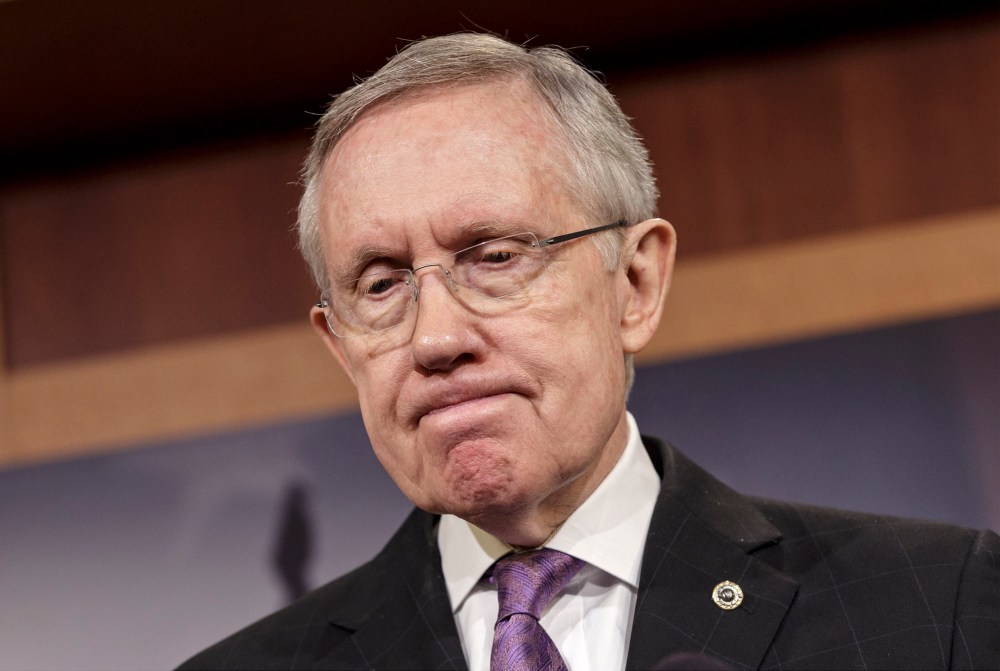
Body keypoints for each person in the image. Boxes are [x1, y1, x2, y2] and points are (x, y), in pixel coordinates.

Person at [180, 33, 998, 670]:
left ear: (634, 282)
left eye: (494, 256)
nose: (435, 338)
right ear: (340, 344)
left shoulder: (937, 604)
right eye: (382, 284)